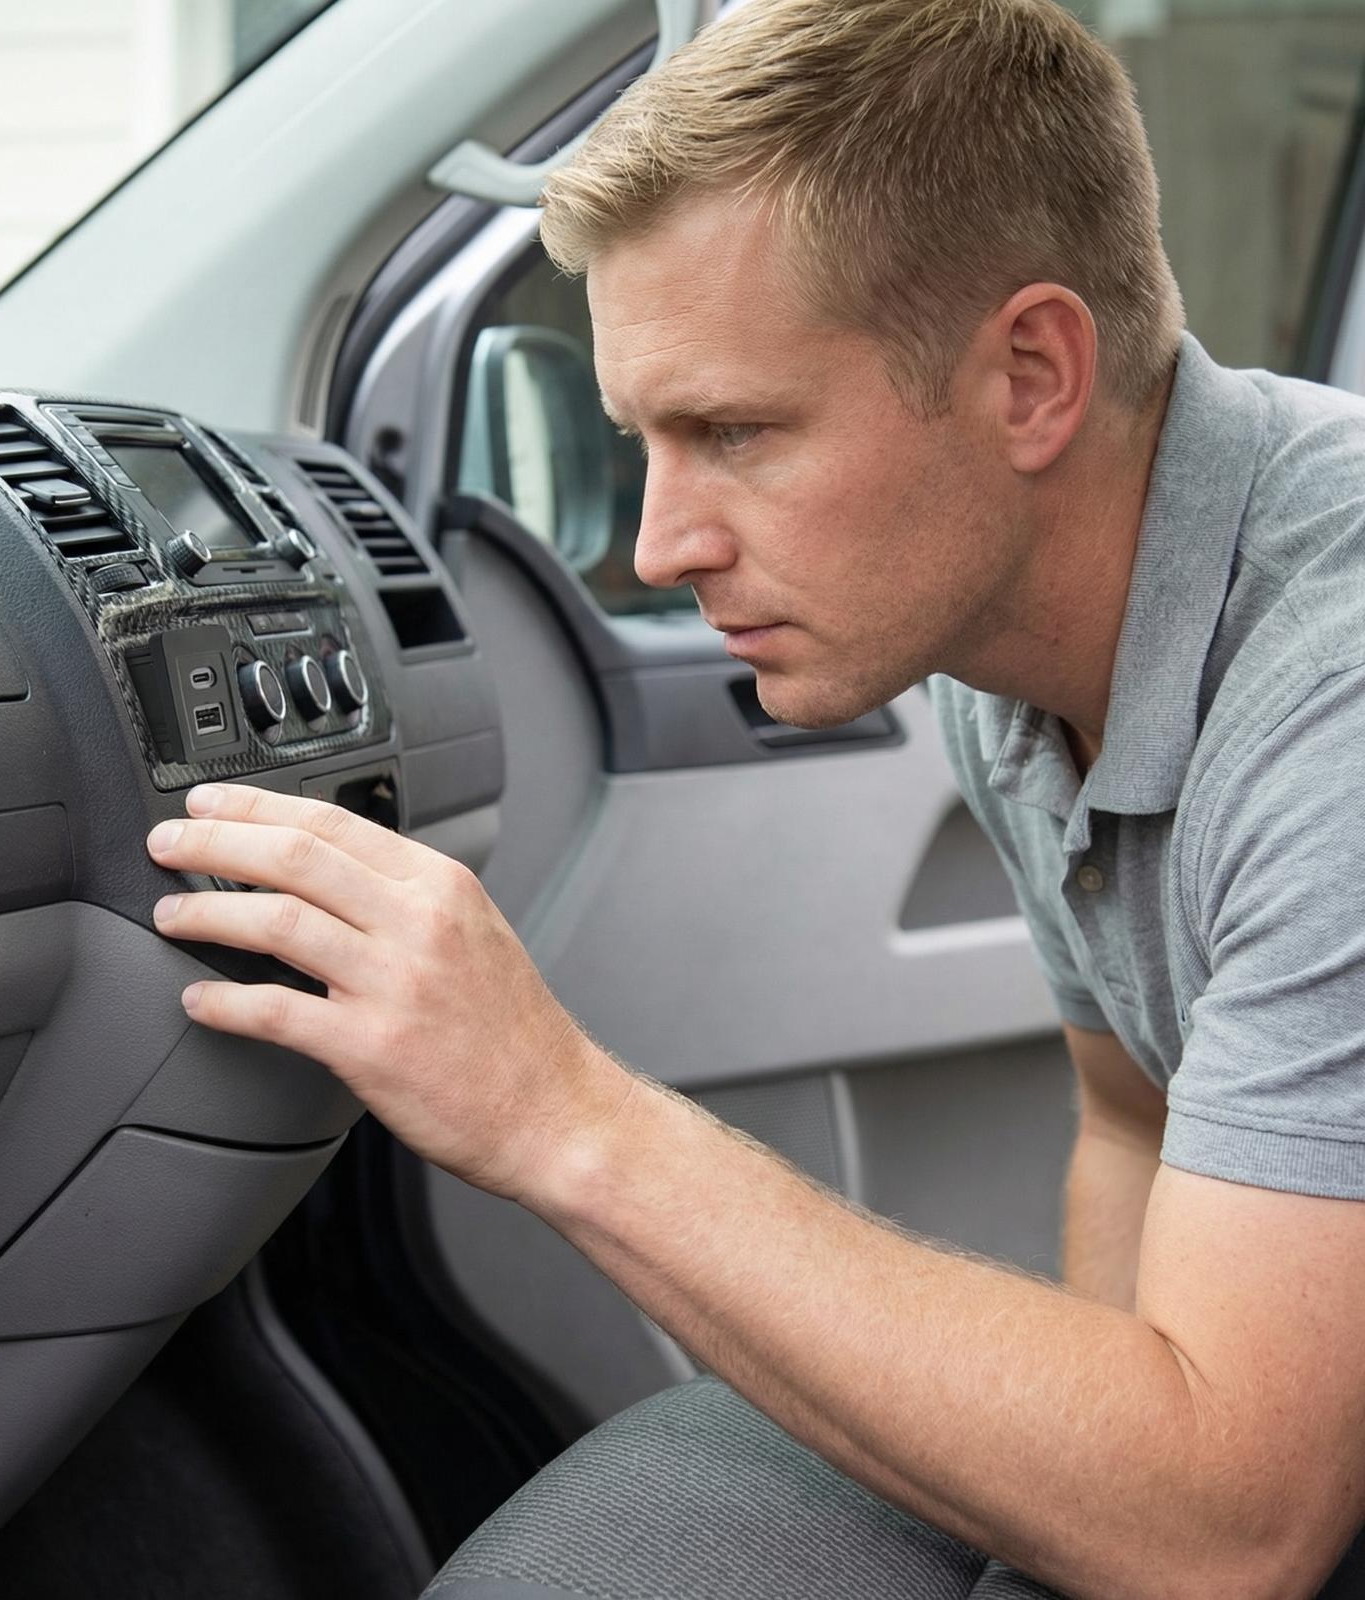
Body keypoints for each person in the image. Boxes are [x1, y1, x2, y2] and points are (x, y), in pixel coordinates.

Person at [143, 0, 1365, 1592]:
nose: (662, 546)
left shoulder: (1328, 700)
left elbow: (1231, 1526)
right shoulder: (1008, 640)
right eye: (644, 441)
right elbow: (1136, 1112)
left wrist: (556, 1112)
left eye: (734, 431)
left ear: (1030, 376)